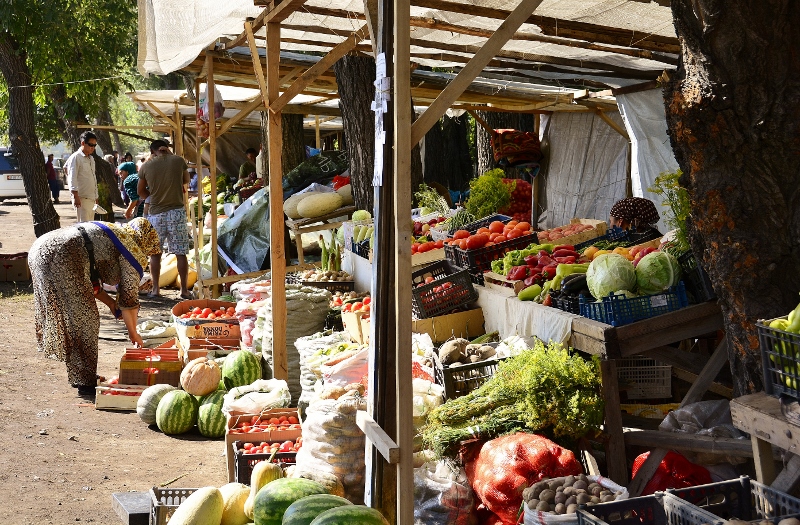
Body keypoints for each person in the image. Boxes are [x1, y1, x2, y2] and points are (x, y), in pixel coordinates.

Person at [29, 218, 161, 397]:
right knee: (86, 319)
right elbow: (129, 300)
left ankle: (81, 375)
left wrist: (112, 304)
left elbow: (93, 284)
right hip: (63, 252)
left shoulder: (113, 232)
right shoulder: (132, 248)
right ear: (146, 240)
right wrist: (133, 332)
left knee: (76, 317)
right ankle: (85, 382)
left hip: (40, 247)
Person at [137, 140, 191, 299]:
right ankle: (184, 291)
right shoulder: (178, 160)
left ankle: (155, 290)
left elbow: (140, 191)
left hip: (156, 214)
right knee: (181, 253)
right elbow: (186, 179)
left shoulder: (147, 166)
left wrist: (152, 198)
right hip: (176, 212)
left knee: (155, 253)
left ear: (152, 151)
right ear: (167, 149)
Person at [64, 131, 98, 222]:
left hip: (91, 198)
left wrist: (96, 196)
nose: (92, 148)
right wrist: (75, 196)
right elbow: (72, 176)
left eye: (95, 145)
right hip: (81, 198)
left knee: (91, 227)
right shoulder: (76, 157)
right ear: (82, 143)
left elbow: (93, 177)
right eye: (91, 144)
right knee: (83, 227)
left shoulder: (91, 159)